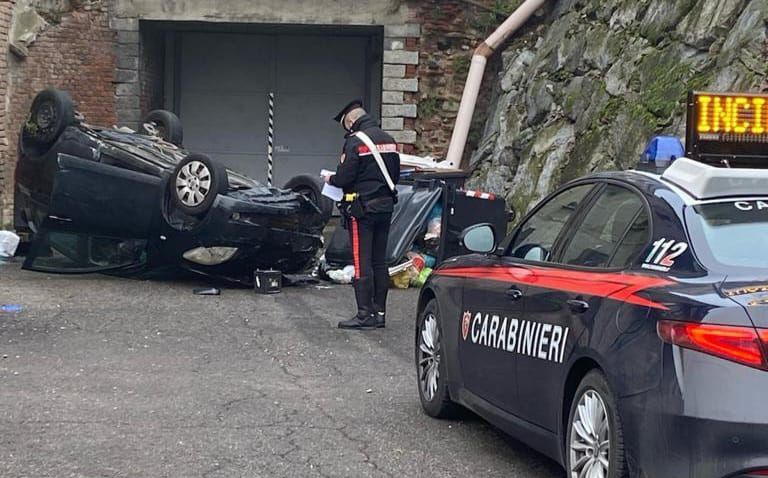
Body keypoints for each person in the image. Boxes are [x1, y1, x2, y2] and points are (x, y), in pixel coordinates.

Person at [324, 100, 400, 330]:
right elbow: (395, 174)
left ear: (350, 122)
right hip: (385, 206)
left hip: (362, 209)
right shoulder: (389, 140)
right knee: (379, 261)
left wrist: (331, 179)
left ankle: (363, 314)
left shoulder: (355, 142)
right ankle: (380, 313)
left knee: (361, 261)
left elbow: (345, 177)